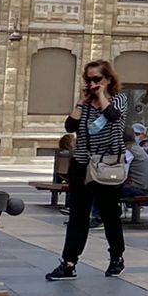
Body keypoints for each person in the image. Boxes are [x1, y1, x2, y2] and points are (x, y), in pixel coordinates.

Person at [46, 60, 133, 280]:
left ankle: (117, 258)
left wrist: (102, 95)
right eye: (89, 79)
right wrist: (81, 101)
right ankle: (69, 262)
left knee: (110, 214)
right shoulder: (86, 104)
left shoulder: (119, 99)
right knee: (78, 215)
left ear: (109, 79)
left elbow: (113, 117)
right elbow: (70, 127)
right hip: (82, 165)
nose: (93, 83)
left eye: (97, 79)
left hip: (107, 165)